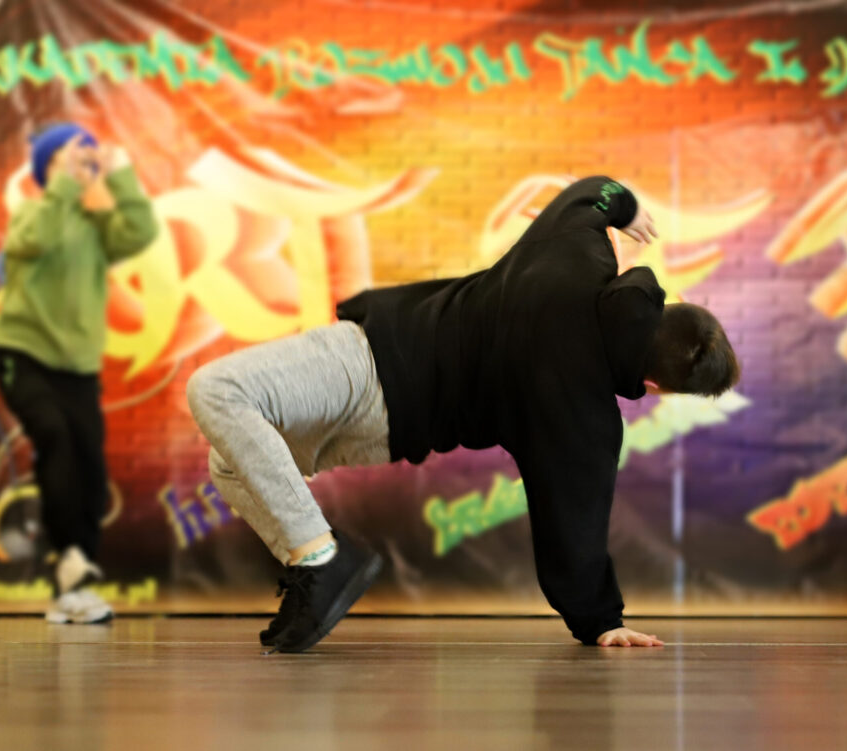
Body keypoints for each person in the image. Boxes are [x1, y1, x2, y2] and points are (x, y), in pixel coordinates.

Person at [187, 176, 740, 652]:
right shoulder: (587, 421)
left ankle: (318, 556)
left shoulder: (576, 254)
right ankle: (314, 566)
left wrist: (628, 207)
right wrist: (601, 621)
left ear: (664, 304)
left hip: (369, 356)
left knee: (216, 388)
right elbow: (575, 529)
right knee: (229, 462)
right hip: (389, 429)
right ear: (652, 384)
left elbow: (591, 192)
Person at [0, 123, 158, 624]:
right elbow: (39, 236)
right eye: (69, 156)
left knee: (89, 464)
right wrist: (64, 178)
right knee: (55, 437)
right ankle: (69, 566)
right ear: (50, 168)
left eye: (83, 156)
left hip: (77, 370)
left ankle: (76, 570)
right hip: (23, 355)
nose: (79, 163)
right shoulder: (31, 213)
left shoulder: (93, 226)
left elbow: (141, 230)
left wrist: (120, 175)